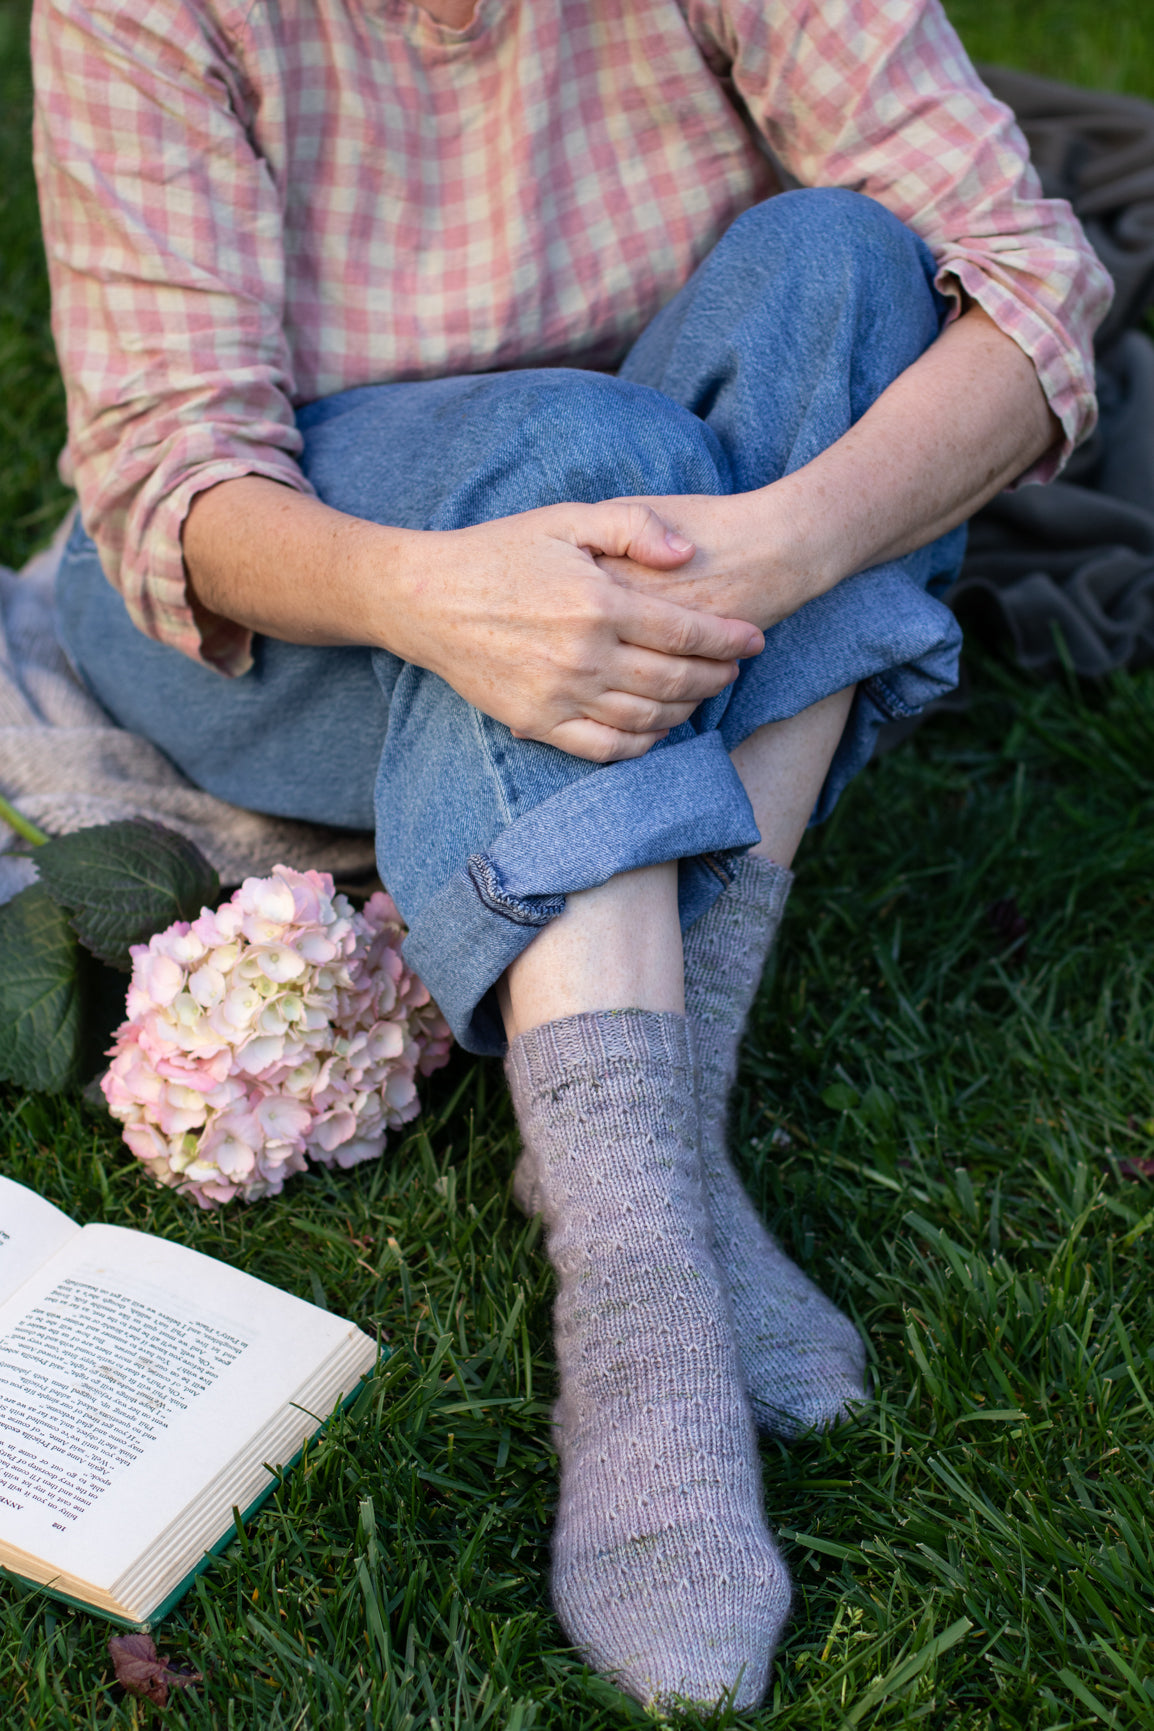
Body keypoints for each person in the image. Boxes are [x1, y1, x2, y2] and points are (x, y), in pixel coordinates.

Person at [32, 0, 1110, 1708]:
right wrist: (433, 596)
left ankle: (639, 1176)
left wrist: (777, 547)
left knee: (846, 262)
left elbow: (1027, 279)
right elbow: (175, 475)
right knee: (576, 448)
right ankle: (641, 1299)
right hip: (295, 601)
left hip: (686, 552)